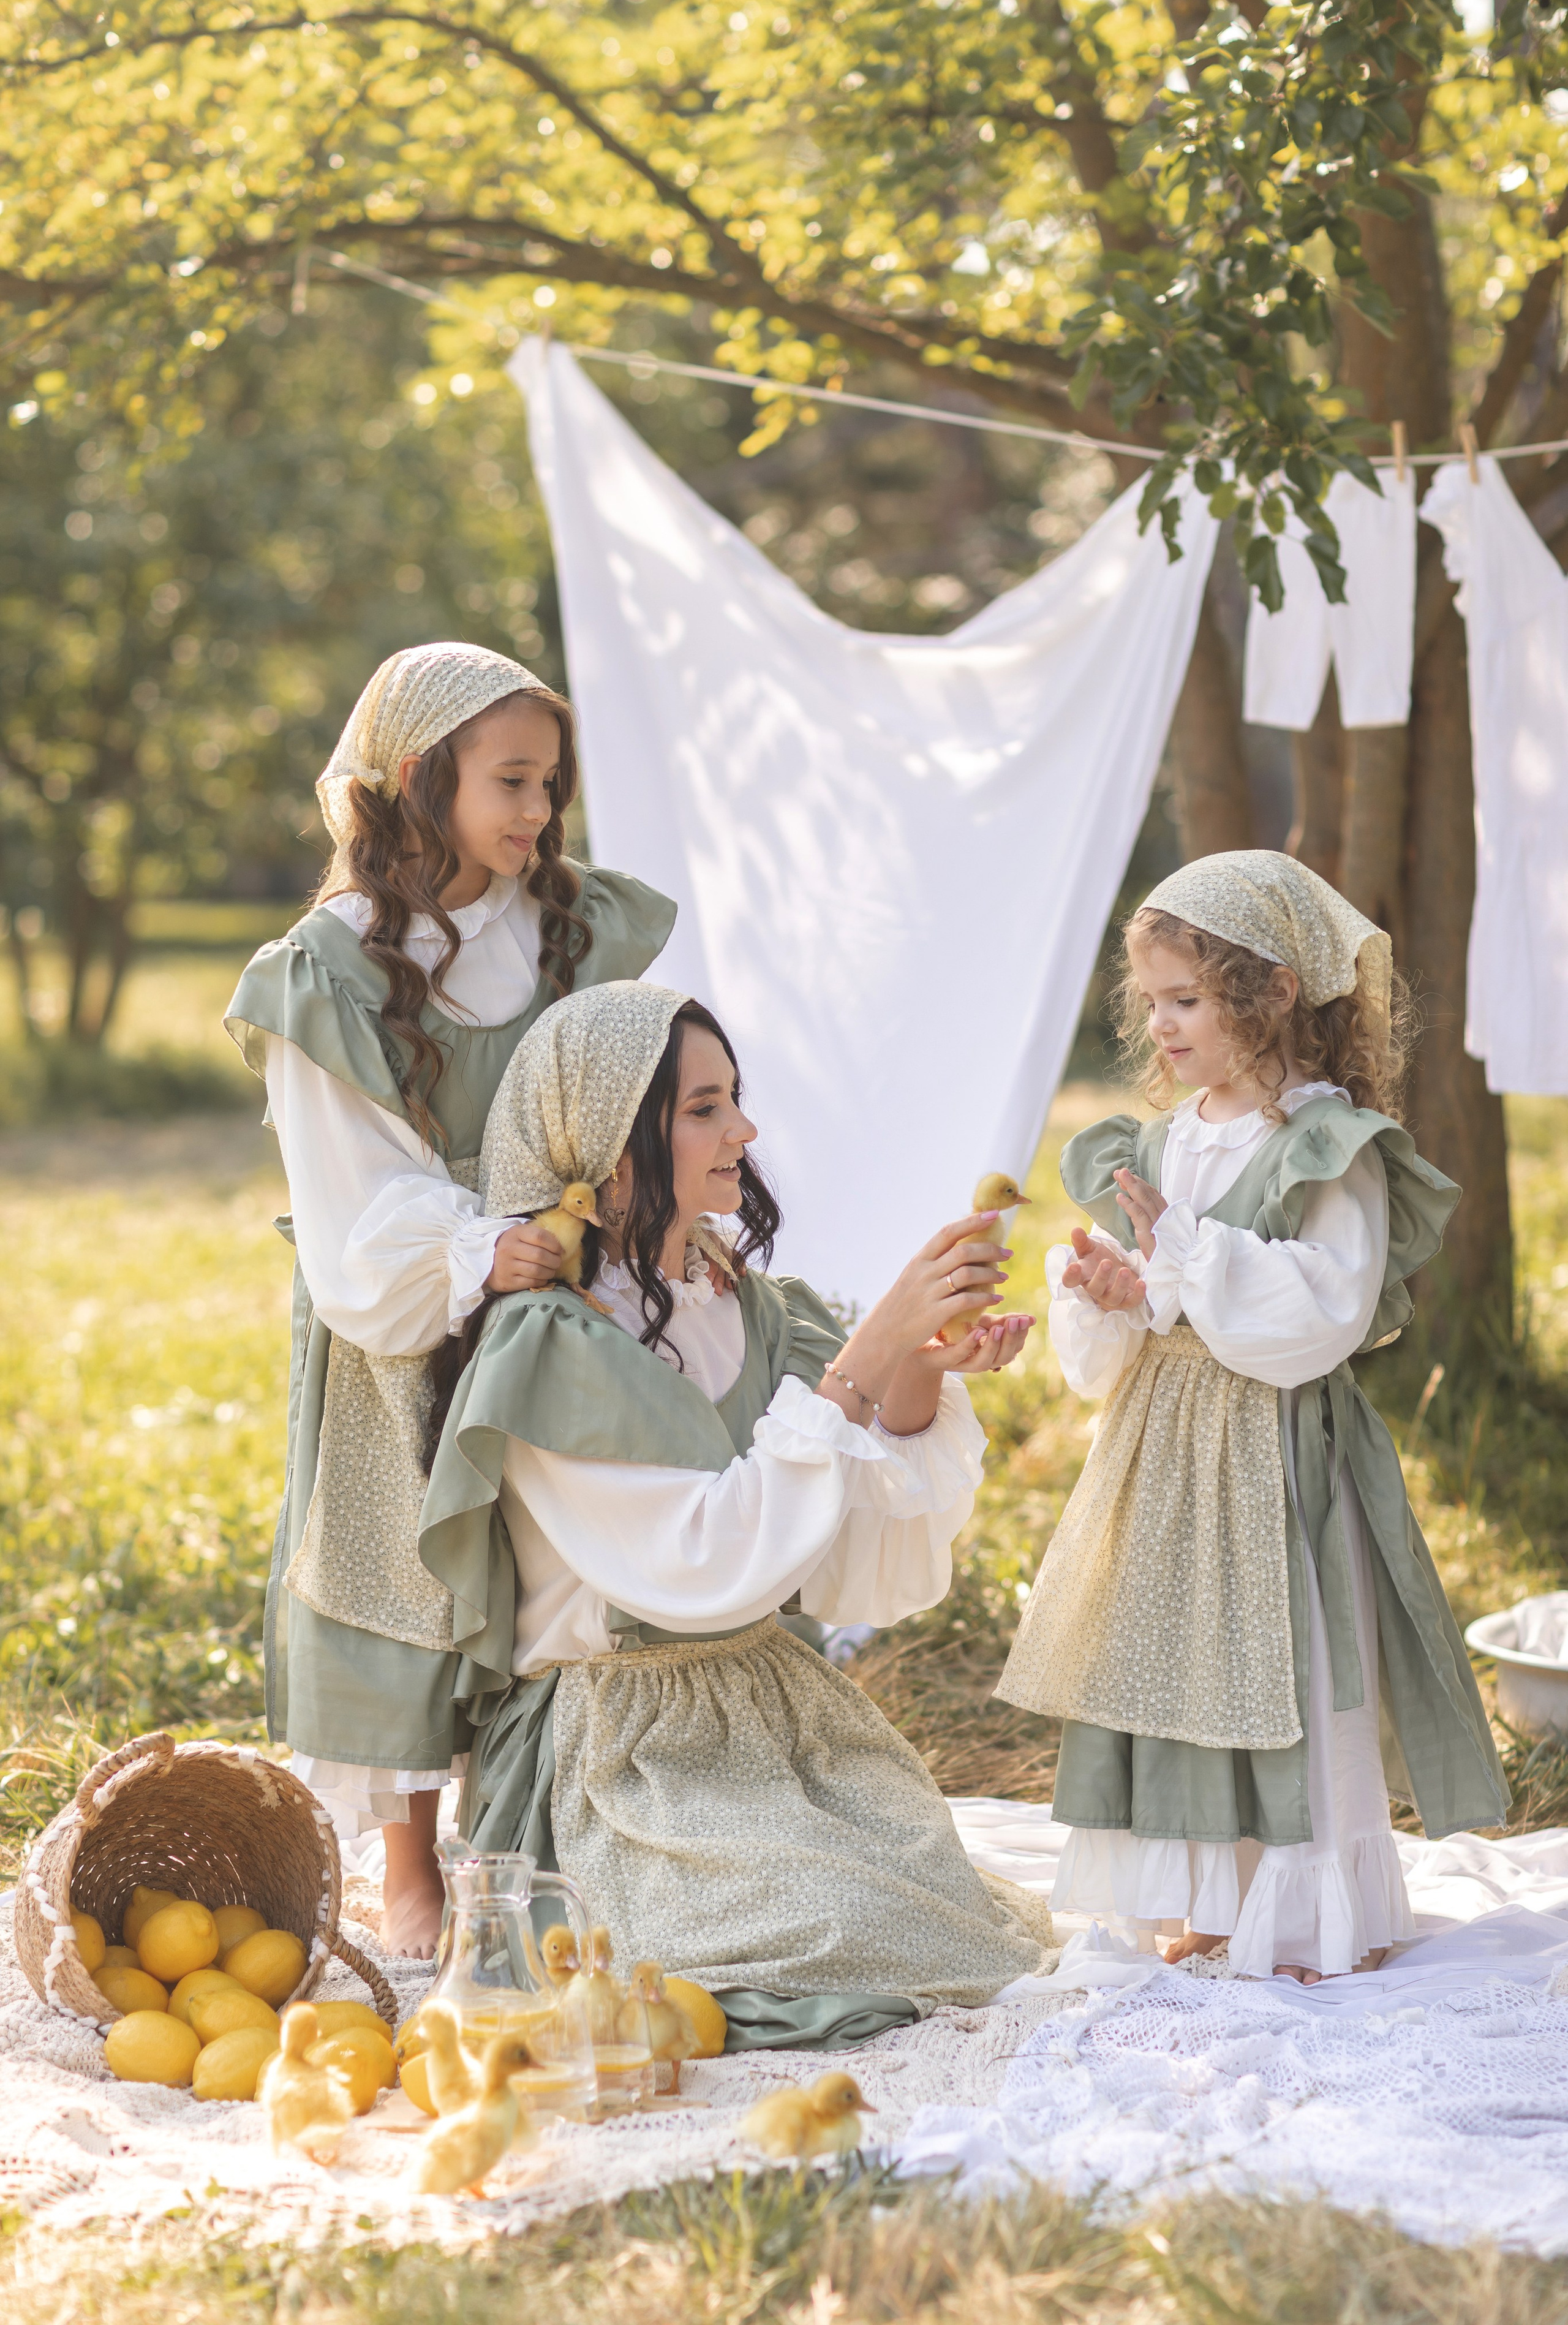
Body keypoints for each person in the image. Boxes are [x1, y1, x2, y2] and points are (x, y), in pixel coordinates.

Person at [416, 979, 1049, 2046]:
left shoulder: (736, 1301)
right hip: (623, 1744)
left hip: (770, 1705)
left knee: (930, 1899)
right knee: (833, 1925)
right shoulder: (550, 1342)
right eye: (704, 1107)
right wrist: (867, 1350)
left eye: (735, 1099)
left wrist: (914, 1373)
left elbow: (842, 1559)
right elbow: (706, 1562)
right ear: (613, 1143)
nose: (744, 1131)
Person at [224, 642, 675, 1956]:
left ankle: (536, 1823)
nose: (538, 813)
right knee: (411, 1567)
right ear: (420, 779)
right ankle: (412, 1860)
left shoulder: (576, 923)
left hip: (564, 1282)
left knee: (545, 1560)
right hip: (415, 1302)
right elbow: (354, 1182)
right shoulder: (337, 964)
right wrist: (474, 1252)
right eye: (513, 781)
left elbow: (623, 1082)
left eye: (550, 784)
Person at [997, 850, 1507, 1983]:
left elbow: (1327, 1306)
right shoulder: (1173, 1136)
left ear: (1273, 992)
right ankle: (1214, 1896)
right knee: (1179, 1665)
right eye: (1154, 1003)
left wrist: (1184, 1257)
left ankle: (1304, 1909)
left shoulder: (1326, 1142)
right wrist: (1116, 1292)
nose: (1163, 1027)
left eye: (1188, 1000)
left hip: (1275, 1457)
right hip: (1169, 1451)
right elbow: (1152, 1296)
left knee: (1287, 1673)